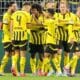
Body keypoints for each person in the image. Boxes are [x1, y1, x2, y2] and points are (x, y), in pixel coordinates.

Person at [54, 1, 76, 76]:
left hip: (68, 38)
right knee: (58, 53)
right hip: (59, 37)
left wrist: (62, 22)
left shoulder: (71, 15)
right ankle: (58, 70)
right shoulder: (56, 15)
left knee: (67, 54)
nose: (62, 8)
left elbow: (72, 23)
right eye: (61, 7)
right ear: (59, 8)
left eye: (64, 7)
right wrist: (66, 22)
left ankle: (65, 71)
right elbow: (56, 23)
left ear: (67, 8)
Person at [10, 2, 31, 77]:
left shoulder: (14, 14)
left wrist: (11, 36)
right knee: (23, 55)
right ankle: (22, 72)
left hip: (15, 36)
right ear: (26, 7)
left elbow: (11, 26)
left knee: (16, 53)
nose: (29, 10)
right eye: (29, 8)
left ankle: (13, 65)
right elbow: (28, 26)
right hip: (23, 36)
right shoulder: (27, 14)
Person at [28, 4, 46, 75]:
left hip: (41, 41)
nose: (32, 12)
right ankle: (33, 71)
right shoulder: (30, 17)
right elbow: (29, 26)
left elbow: (42, 27)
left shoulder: (43, 16)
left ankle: (39, 70)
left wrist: (35, 24)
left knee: (41, 57)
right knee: (32, 56)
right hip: (32, 40)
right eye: (31, 10)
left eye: (34, 10)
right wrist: (38, 27)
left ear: (38, 10)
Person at [0, 1, 17, 76]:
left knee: (12, 53)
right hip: (7, 39)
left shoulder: (13, 15)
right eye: (14, 6)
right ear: (9, 7)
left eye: (15, 6)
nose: (15, 8)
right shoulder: (6, 15)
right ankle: (0, 70)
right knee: (7, 54)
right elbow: (4, 29)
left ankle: (13, 69)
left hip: (12, 38)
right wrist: (10, 38)